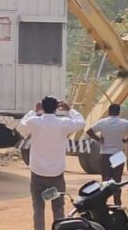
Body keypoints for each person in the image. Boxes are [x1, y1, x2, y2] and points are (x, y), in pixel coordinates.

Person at [19, 96, 86, 230]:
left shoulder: (35, 122)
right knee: (58, 208)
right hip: (56, 174)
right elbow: (81, 123)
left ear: (42, 107)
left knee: (38, 207)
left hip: (38, 173)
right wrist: (70, 110)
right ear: (57, 108)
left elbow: (21, 127)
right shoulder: (63, 123)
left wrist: (33, 111)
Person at [86, 103, 128, 205]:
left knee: (105, 180)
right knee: (117, 180)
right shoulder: (124, 123)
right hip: (118, 154)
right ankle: (117, 202)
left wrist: (98, 139)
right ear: (119, 112)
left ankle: (103, 202)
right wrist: (127, 139)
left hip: (105, 154)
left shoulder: (102, 122)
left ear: (108, 111)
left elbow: (89, 131)